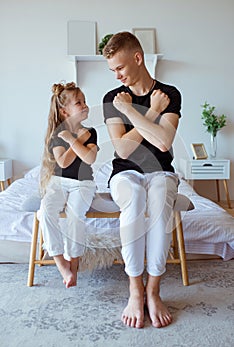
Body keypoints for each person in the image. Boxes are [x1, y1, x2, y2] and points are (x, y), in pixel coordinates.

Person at [102, 32, 181, 328]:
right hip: (125, 172)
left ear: (137, 58)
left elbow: (162, 142)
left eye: (119, 68)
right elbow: (122, 148)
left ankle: (153, 290)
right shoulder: (113, 99)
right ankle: (135, 290)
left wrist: (135, 113)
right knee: (134, 200)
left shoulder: (169, 93)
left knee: (160, 205)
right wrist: (151, 113)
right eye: (112, 71)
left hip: (161, 170)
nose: (117, 75)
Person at [39, 82, 98, 288]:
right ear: (64, 111)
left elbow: (89, 158)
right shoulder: (58, 135)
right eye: (78, 103)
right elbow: (63, 162)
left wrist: (76, 140)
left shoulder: (90, 132)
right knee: (45, 211)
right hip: (59, 181)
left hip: (83, 183)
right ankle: (60, 262)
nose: (84, 105)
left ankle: (74, 265)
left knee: (75, 215)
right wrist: (73, 139)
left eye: (84, 101)